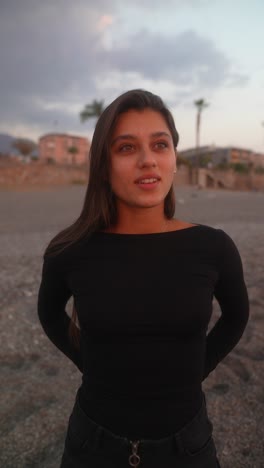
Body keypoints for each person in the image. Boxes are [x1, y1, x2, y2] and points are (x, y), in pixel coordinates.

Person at [37, 89, 249, 468]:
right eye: (126, 148)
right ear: (103, 164)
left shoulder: (212, 247)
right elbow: (50, 314)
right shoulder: (69, 250)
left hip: (188, 446)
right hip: (93, 445)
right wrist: (91, 363)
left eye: (159, 144)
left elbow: (237, 316)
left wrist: (197, 368)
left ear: (173, 158)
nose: (148, 160)